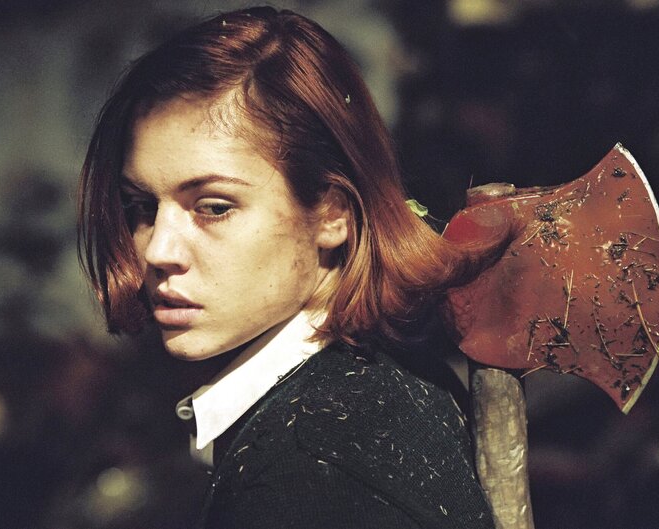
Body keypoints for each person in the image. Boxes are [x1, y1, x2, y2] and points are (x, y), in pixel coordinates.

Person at [78, 6, 507, 528]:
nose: (157, 251)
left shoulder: (310, 472)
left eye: (213, 207)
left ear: (332, 214)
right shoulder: (376, 384)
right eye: (142, 207)